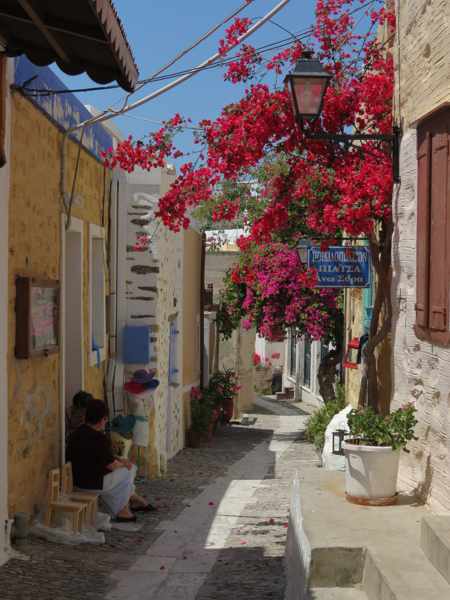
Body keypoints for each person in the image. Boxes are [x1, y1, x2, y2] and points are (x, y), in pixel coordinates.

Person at [67, 399, 156, 522]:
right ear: (102, 419)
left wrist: (120, 460)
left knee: (121, 479)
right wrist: (124, 464)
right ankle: (123, 510)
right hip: (92, 483)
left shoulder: (76, 434)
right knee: (129, 471)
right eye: (105, 419)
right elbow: (112, 466)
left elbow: (103, 457)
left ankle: (133, 499)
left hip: (77, 481)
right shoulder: (99, 438)